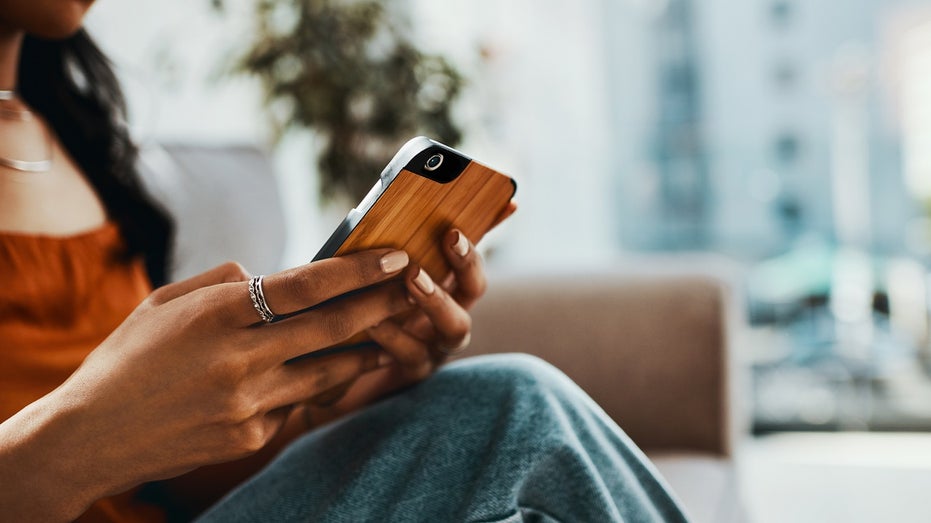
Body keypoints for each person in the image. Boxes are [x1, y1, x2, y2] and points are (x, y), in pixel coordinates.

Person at [0, 1, 690, 522]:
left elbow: (159, 480)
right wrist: (80, 436)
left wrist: (337, 389)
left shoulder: (68, 130)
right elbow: (96, 444)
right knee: (514, 404)